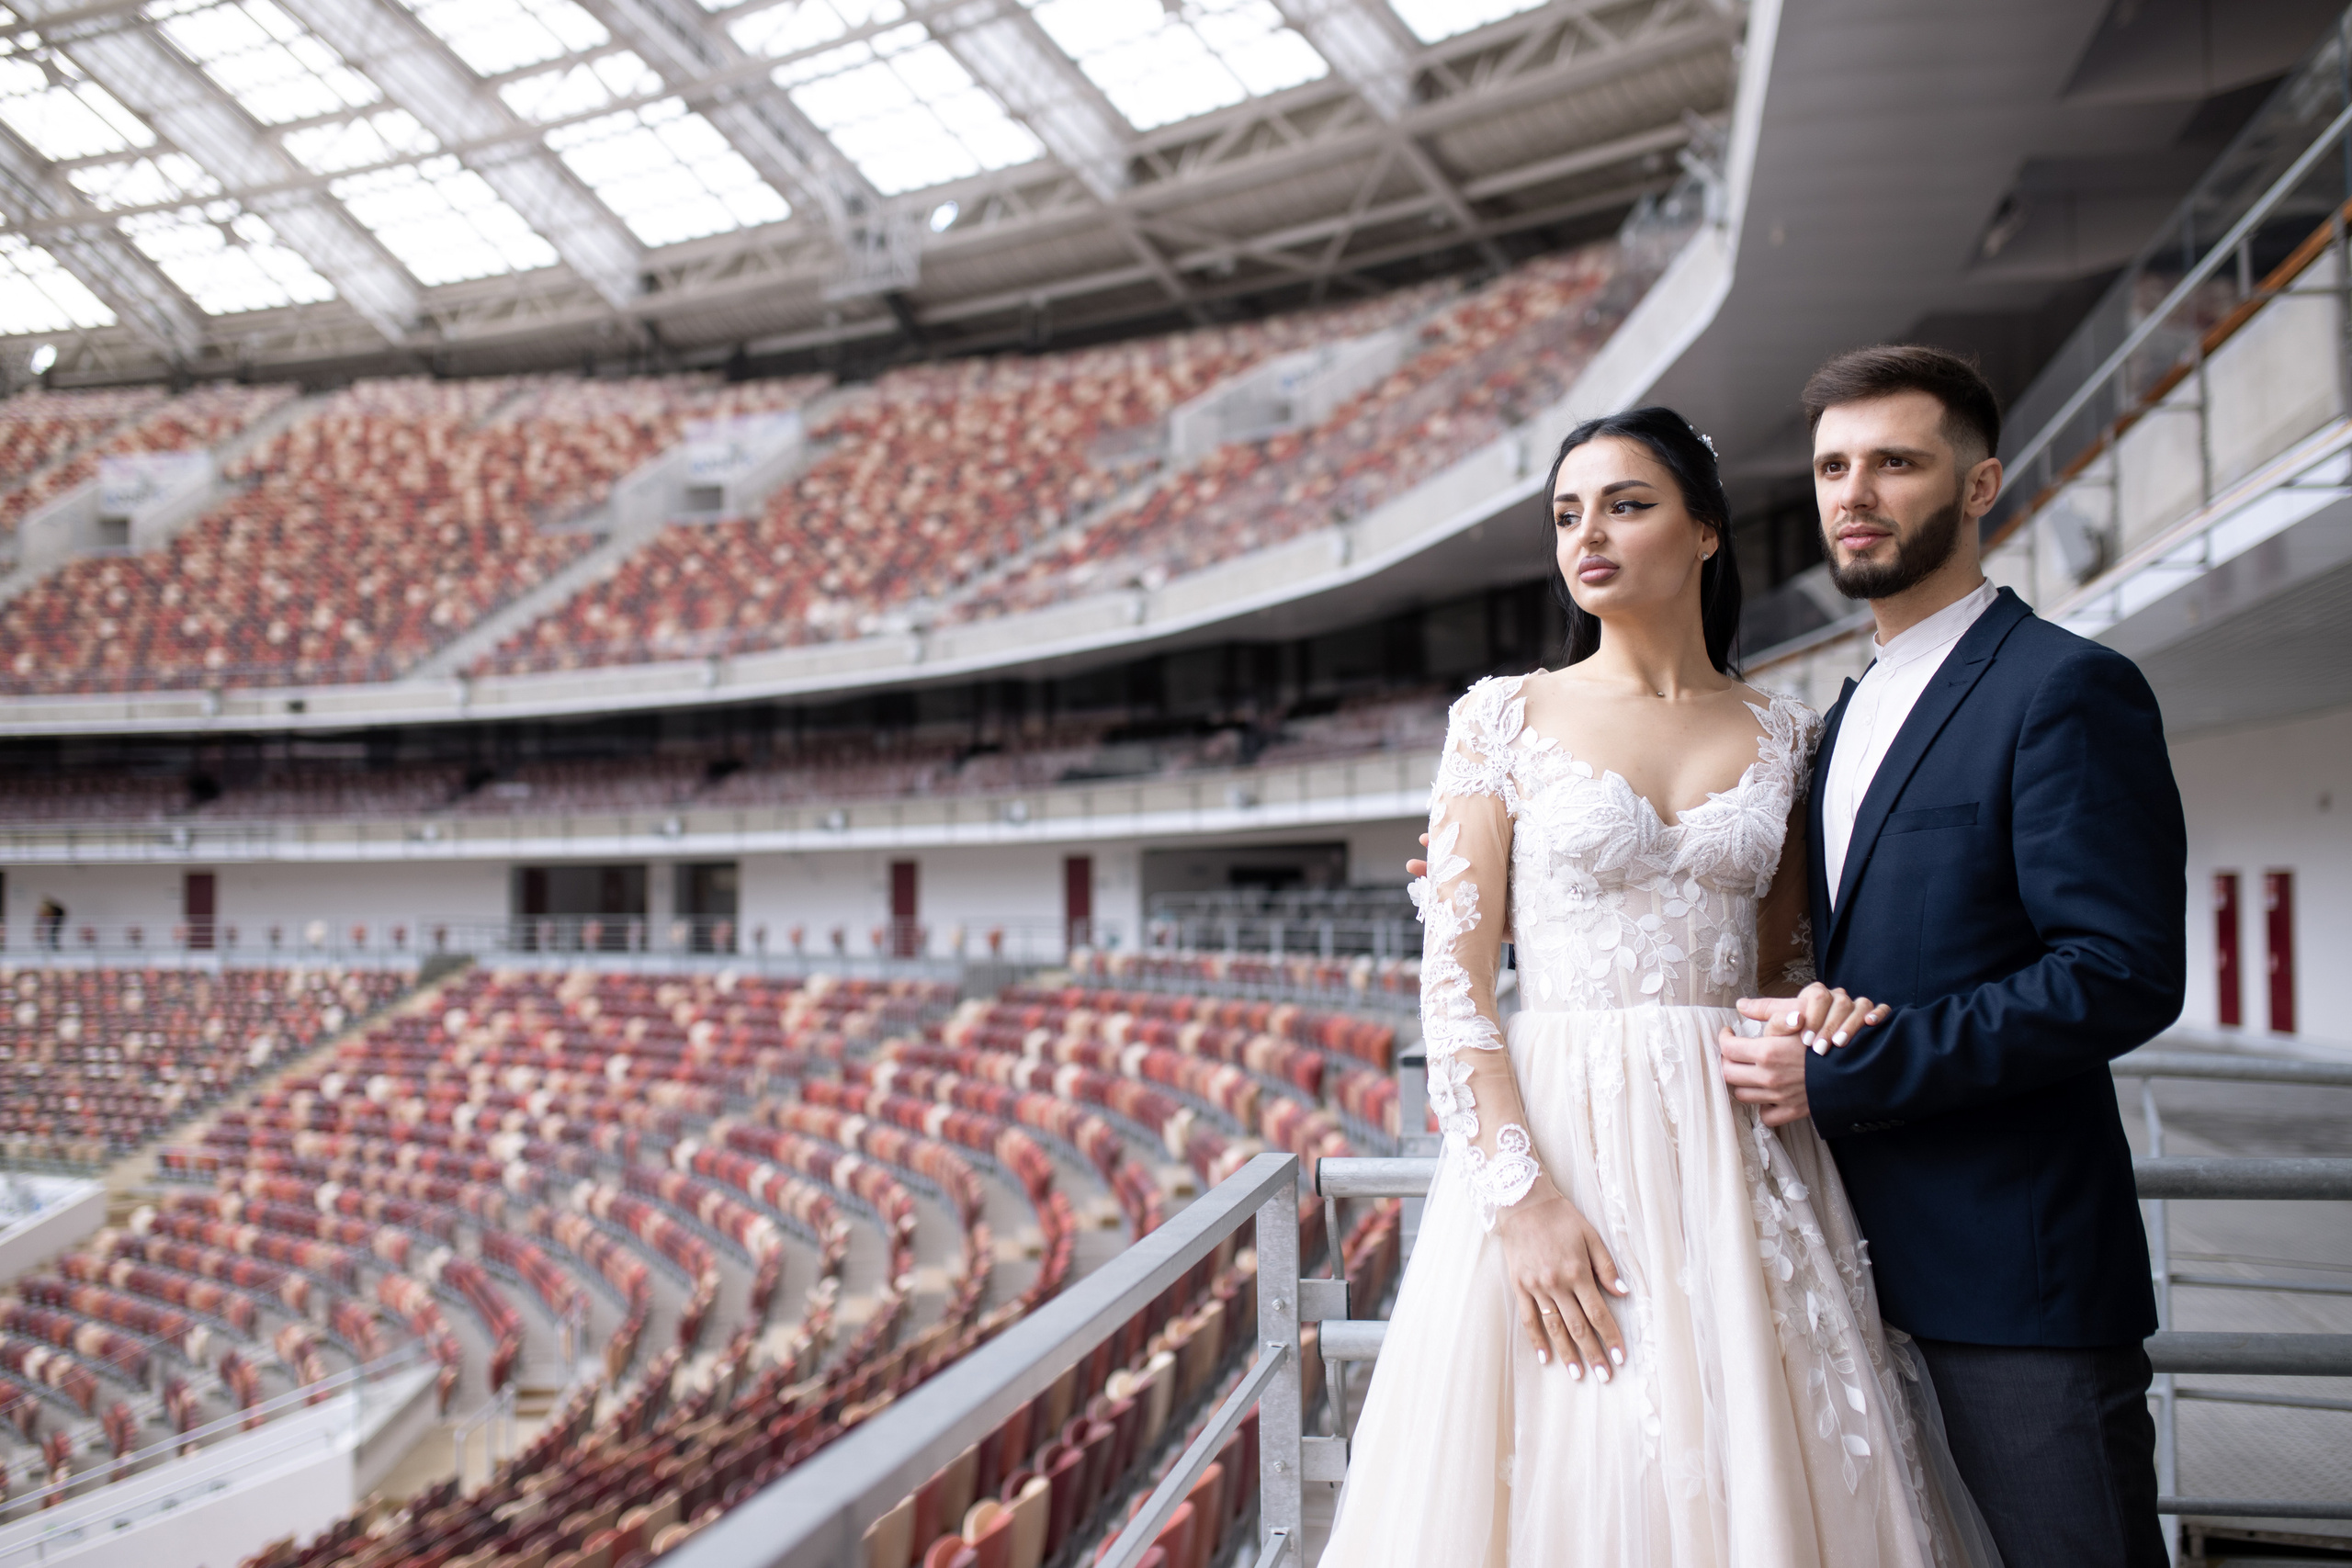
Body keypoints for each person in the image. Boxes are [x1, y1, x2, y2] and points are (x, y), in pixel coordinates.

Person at [1323, 406, 1997, 1566]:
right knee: (1584, 1452)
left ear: (1703, 535)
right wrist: (1520, 1201)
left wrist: (1820, 1008)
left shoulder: (1789, 733)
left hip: (1740, 1153)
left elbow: (1786, 964)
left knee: (1765, 1468)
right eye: (1567, 513)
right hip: (1561, 1140)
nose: (1588, 534)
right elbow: (1456, 988)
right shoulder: (1501, 718)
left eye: (1626, 505)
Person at [1715, 344, 2184, 1568]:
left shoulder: (2066, 687)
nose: (1854, 493)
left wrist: (1850, 1073)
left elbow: (2119, 968)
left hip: (2013, 1283)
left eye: (1895, 462)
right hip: (1847, 1267)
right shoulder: (1842, 709)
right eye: (1831, 467)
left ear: (1978, 487)